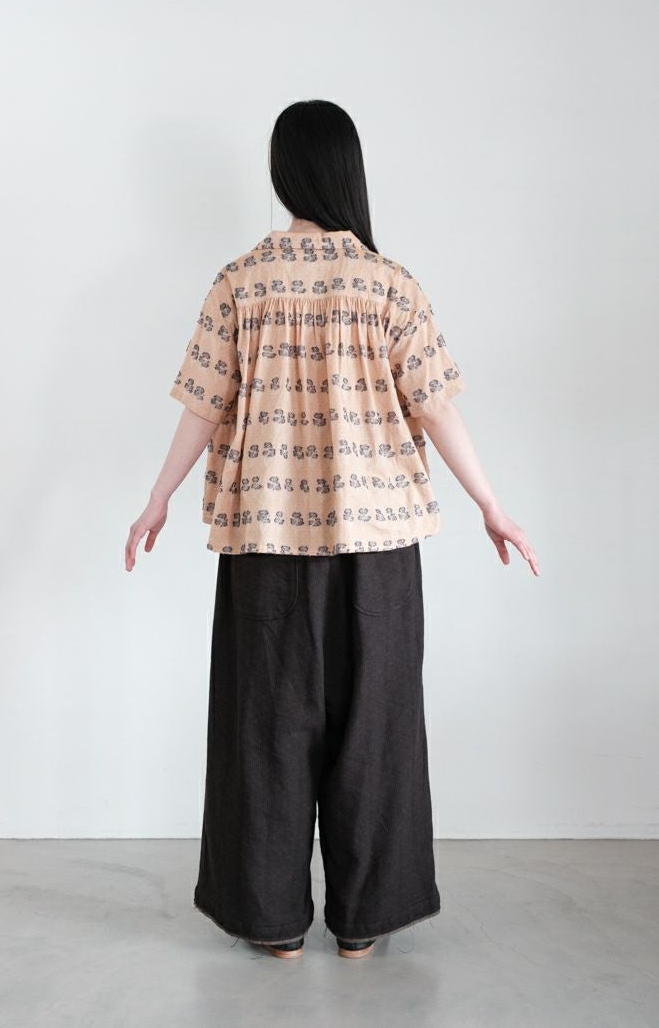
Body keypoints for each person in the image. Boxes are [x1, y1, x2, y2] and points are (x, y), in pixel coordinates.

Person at [125, 99, 539, 961]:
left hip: (266, 540)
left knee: (265, 732)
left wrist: (158, 497)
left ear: (283, 174)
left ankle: (271, 923)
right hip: (378, 546)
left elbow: (203, 404)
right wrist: (490, 504)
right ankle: (364, 923)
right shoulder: (390, 284)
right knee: (376, 730)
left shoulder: (241, 282)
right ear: (348, 170)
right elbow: (436, 408)